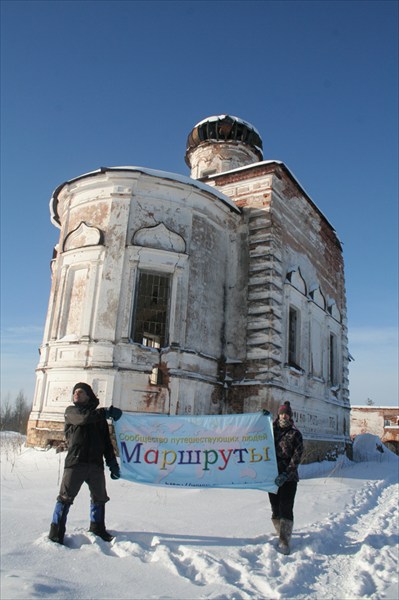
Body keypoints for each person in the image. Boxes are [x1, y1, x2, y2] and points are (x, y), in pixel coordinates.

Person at [48, 382, 123, 545]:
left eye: (81, 392)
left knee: (99, 497)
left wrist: (112, 464)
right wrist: (105, 412)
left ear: (89, 396)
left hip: (95, 464)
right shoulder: (71, 412)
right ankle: (56, 532)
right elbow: (83, 419)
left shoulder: (99, 418)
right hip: (75, 463)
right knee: (65, 498)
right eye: (75, 392)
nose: (76, 394)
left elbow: (106, 443)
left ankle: (97, 528)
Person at [269, 400, 303, 555]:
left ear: (290, 416)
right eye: (282, 413)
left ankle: (284, 540)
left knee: (286, 507)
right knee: (275, 507)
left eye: (287, 414)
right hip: (272, 476)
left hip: (288, 477)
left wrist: (286, 473)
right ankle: (279, 531)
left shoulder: (295, 434)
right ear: (278, 414)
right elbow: (256, 436)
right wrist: (260, 418)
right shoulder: (271, 430)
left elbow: (296, 457)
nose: (284, 416)